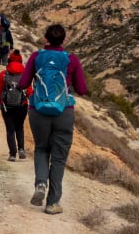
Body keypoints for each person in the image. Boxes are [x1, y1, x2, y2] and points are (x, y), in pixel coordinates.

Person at [19, 24, 88, 215]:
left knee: (41, 148)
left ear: (45, 39)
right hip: (63, 112)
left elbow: (23, 83)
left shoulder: (36, 56)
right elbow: (82, 89)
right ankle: (52, 203)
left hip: (38, 110)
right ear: (64, 40)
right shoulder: (71, 59)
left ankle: (41, 183)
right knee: (58, 157)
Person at [0, 49, 31, 161]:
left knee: (10, 130)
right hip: (22, 106)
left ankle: (12, 154)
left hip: (7, 106)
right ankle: (21, 149)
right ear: (20, 61)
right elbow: (29, 90)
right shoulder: (25, 74)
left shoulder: (3, 74)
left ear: (9, 61)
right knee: (19, 127)